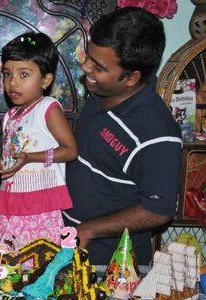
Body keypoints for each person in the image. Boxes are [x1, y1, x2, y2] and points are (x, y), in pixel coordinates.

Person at [64, 7, 182, 266]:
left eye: (98, 66)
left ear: (131, 77)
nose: (85, 67)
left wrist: (89, 229)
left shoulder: (158, 134)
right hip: (66, 243)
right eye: (89, 57)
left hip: (109, 263)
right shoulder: (101, 93)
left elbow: (157, 210)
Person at [0, 32, 78, 249]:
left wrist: (30, 157)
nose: (13, 83)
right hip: (10, 199)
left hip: (38, 204)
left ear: (46, 80)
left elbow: (70, 150)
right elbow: (5, 165)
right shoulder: (10, 116)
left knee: (31, 259)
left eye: (24, 74)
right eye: (8, 74)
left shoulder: (47, 108)